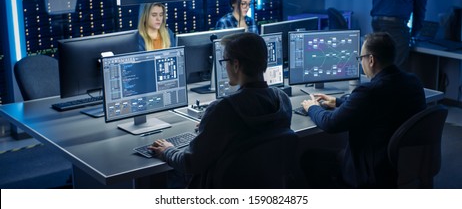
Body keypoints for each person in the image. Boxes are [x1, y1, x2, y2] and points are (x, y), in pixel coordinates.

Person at [149, 32, 293, 188]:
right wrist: (212, 126)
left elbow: (190, 163)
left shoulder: (223, 109)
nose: (224, 66)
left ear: (236, 65)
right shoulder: (282, 100)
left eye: (225, 61)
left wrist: (167, 150)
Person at [299, 32, 427, 188]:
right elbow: (379, 104)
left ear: (371, 60)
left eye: (361, 59)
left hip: (370, 171)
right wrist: (338, 101)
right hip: (403, 165)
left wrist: (312, 107)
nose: (360, 63)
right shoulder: (413, 82)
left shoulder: (369, 92)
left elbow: (330, 123)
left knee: (309, 157)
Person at [370, 0, 430, 70]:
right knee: (397, 69)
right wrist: (414, 33)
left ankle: (378, 86)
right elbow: (419, 10)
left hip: (376, 22)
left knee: (379, 63)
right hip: (395, 26)